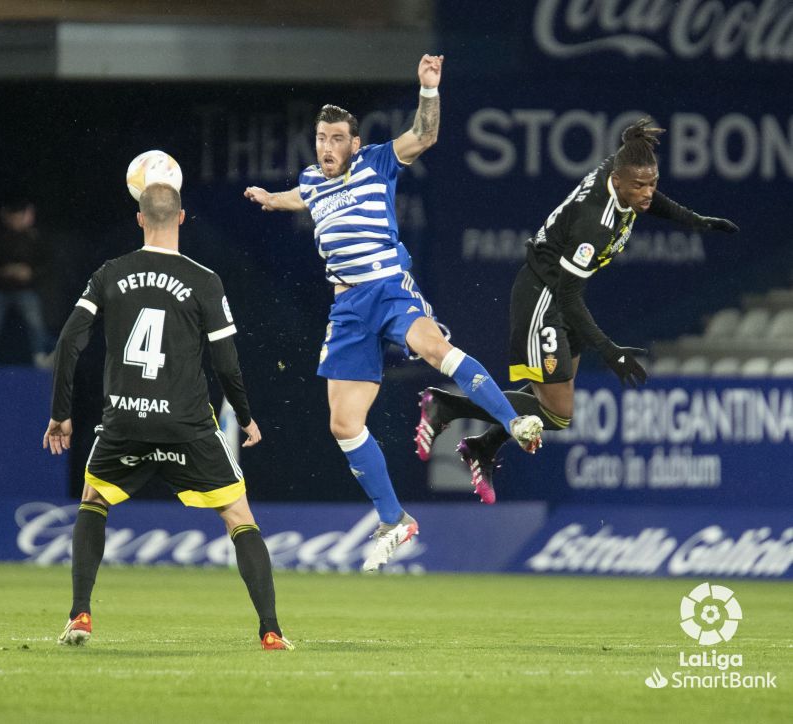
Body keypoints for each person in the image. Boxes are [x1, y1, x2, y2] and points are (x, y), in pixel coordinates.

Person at [244, 54, 543, 571]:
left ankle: (514, 423)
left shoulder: (376, 162)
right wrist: (274, 198)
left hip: (386, 285)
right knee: (343, 423)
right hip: (347, 310)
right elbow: (302, 196)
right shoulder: (313, 182)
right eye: (322, 138)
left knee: (433, 349)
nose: (328, 146)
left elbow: (423, 137)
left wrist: (429, 90)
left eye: (337, 138)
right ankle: (395, 519)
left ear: (354, 144)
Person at [414, 119, 739, 501]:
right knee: (557, 414)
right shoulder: (594, 224)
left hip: (560, 296)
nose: (648, 192)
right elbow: (568, 297)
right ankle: (447, 405)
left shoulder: (619, 175)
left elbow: (650, 201)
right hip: (544, 299)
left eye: (652, 182)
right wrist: (610, 351)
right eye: (640, 185)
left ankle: (484, 445)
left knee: (552, 404)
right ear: (617, 181)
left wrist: (694, 220)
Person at [43, 182, 293, 651]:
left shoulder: (109, 274)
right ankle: (271, 629)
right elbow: (225, 362)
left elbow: (68, 343)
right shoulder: (204, 279)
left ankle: (80, 614)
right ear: (181, 218)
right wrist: (244, 414)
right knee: (238, 515)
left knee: (93, 499)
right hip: (187, 426)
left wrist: (61, 414)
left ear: (139, 218)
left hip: (124, 422)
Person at [0, 198, 52, 367]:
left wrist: (30, 273)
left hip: (25, 290)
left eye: (19, 216)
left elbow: (47, 263)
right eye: (13, 216)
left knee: (36, 327)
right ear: (5, 215)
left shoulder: (34, 236)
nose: (16, 220)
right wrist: (3, 271)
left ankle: (41, 362)